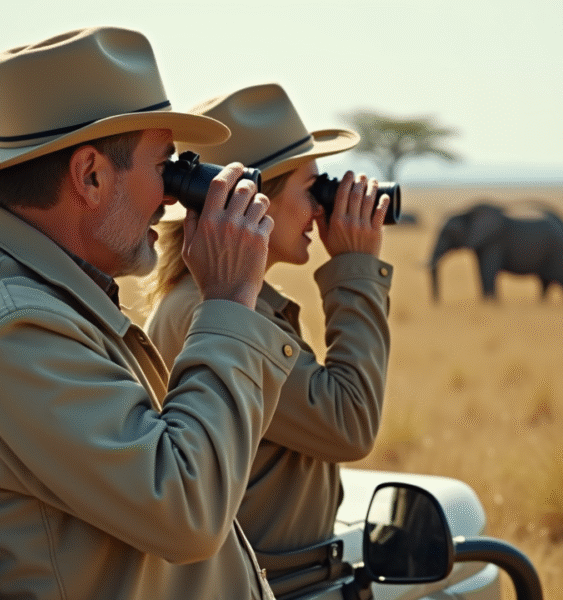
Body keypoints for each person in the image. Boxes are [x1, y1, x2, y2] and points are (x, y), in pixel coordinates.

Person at [0, 27, 301, 600]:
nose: (174, 196)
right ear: (90, 175)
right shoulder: (14, 326)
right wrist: (226, 303)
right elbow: (188, 509)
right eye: (164, 167)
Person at [144, 83, 393, 555]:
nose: (322, 207)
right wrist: (356, 269)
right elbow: (349, 422)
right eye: (310, 188)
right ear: (252, 199)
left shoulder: (208, 298)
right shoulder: (218, 310)